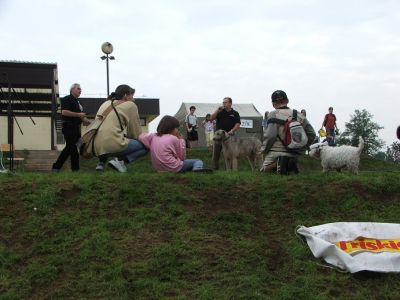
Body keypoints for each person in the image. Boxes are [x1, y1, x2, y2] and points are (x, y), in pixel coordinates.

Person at [93, 84, 148, 173]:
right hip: (111, 145)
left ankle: (101, 164)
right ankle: (121, 162)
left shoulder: (106, 103)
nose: (134, 99)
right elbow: (135, 133)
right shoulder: (131, 105)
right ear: (126, 95)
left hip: (95, 146)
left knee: (107, 134)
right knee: (146, 145)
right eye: (132, 95)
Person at [260, 90, 316, 174]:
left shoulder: (272, 114)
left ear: (273, 104)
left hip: (275, 152)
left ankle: (278, 163)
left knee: (264, 171)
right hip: (295, 153)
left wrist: (264, 150)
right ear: (287, 101)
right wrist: (302, 148)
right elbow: (312, 134)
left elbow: (270, 136)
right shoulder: (298, 115)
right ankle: (289, 164)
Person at [139, 115, 212, 173]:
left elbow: (141, 137)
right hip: (173, 167)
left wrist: (149, 146)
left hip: (158, 168)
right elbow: (181, 157)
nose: (178, 130)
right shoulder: (173, 138)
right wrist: (181, 140)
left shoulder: (153, 136)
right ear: (172, 128)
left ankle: (190, 169)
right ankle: (197, 168)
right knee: (198, 161)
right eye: (177, 128)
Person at [52, 83, 88, 172]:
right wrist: (79, 115)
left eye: (81, 89)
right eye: (78, 89)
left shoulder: (78, 102)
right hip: (69, 126)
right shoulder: (66, 99)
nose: (80, 90)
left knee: (74, 149)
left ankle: (75, 169)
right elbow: (64, 112)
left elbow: (80, 116)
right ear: (72, 90)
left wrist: (87, 121)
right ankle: (56, 167)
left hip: (76, 128)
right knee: (70, 147)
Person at [209, 97, 241, 170]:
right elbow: (210, 119)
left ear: (230, 103)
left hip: (229, 137)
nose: (224, 104)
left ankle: (231, 170)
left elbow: (238, 124)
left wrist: (232, 130)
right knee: (216, 154)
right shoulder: (220, 112)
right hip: (218, 137)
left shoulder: (235, 113)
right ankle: (214, 169)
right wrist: (217, 110)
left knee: (230, 154)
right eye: (223, 102)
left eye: (225, 102)